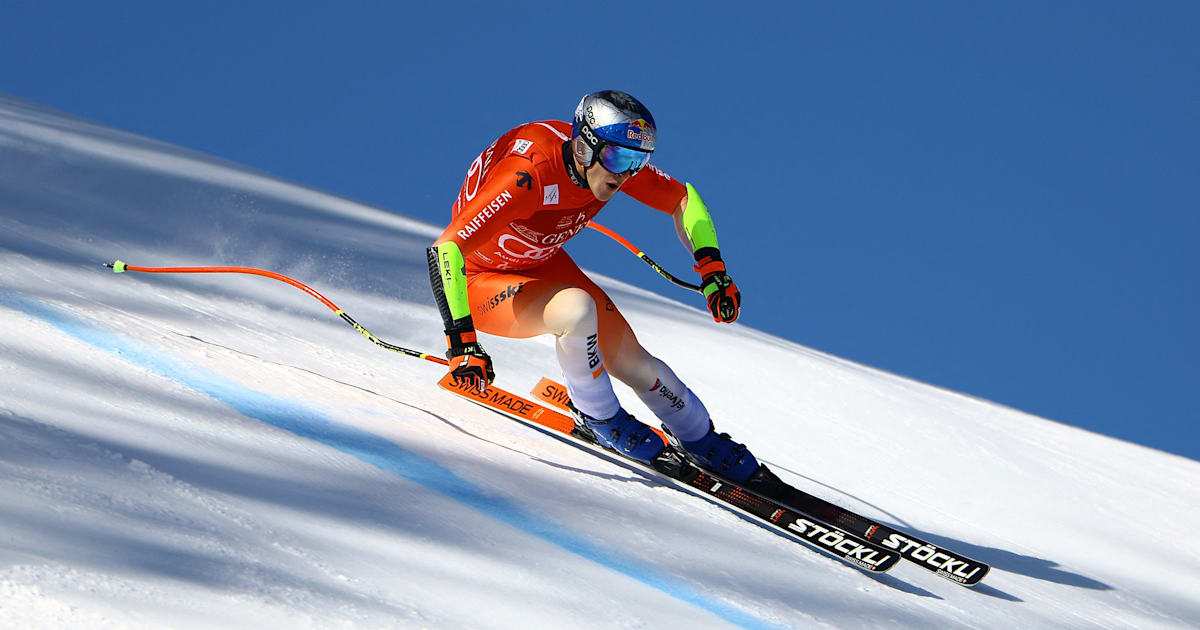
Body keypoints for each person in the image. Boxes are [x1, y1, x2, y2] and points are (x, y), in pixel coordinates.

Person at [426, 90, 760, 483]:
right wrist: (462, 342)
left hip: (541, 262)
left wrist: (712, 268)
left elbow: (683, 199)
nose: (625, 175)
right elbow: (445, 249)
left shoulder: (609, 162)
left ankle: (701, 437)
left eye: (638, 162)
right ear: (584, 147)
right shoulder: (528, 173)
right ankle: (599, 414)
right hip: (482, 282)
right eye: (619, 158)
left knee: (635, 361)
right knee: (576, 310)